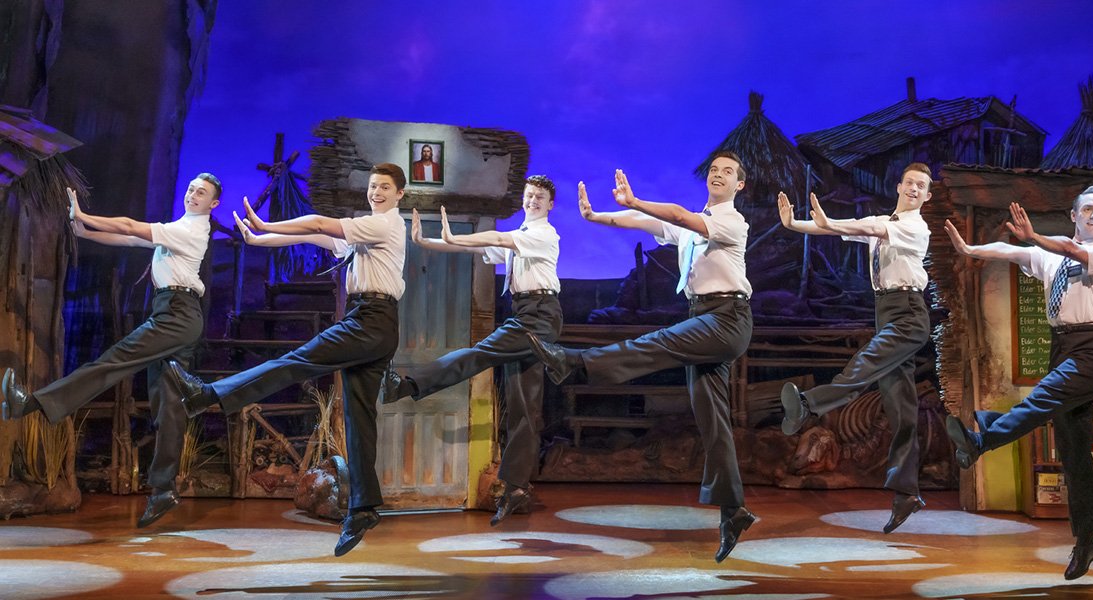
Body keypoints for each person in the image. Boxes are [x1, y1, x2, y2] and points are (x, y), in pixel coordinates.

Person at [164, 163, 409, 557]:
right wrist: (262, 238)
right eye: (372, 186)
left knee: (297, 361)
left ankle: (210, 395)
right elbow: (315, 236)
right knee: (359, 417)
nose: (376, 192)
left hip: (370, 321)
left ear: (400, 193)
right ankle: (363, 508)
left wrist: (264, 221)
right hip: (375, 323)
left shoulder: (384, 225)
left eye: (384, 187)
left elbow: (318, 221)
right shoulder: (368, 230)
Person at [525, 153, 755, 563]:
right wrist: (599, 217)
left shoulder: (730, 220)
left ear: (739, 185)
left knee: (657, 343)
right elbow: (654, 224)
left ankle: (576, 363)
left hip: (727, 318)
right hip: (703, 314)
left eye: (728, 173)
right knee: (712, 420)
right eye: (715, 170)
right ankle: (732, 510)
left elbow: (677, 216)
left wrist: (635, 200)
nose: (719, 175)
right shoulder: (694, 225)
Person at [1, 174, 222, 528]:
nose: (194, 194)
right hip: (174, 313)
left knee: (114, 361)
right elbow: (128, 238)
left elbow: (130, 225)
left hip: (177, 316)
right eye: (192, 188)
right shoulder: (178, 227)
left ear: (213, 204)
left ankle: (33, 403)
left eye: (203, 193)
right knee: (169, 406)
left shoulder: (193, 230)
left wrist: (86, 215)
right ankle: (163, 490)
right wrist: (85, 232)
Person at [944, 186, 1093, 580]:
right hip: (1064, 347)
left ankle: (982, 439)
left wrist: (1035, 236)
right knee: (1074, 451)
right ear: (1073, 216)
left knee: (1041, 398)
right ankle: (1088, 539)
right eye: (1087, 209)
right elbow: (1012, 253)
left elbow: (1071, 251)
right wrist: (971, 251)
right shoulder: (1047, 257)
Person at [380, 175, 561, 526]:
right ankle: (515, 488)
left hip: (539, 317)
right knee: (524, 405)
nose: (533, 200)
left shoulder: (542, 234)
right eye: (529, 195)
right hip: (525, 312)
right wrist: (429, 242)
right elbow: (478, 249)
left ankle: (408, 385)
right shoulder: (520, 235)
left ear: (550, 204)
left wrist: (452, 234)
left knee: (478, 355)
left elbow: (494, 237)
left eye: (540, 196)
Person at [776, 162, 934, 534]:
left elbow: (865, 227)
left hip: (909, 314)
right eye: (909, 182)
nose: (913, 189)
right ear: (899, 186)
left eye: (921, 186)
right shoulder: (885, 220)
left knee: (864, 363)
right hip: (886, 311)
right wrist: (793, 225)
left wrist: (831, 222)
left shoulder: (914, 227)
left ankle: (808, 404)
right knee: (902, 410)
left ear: (927, 195)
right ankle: (906, 492)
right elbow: (846, 229)